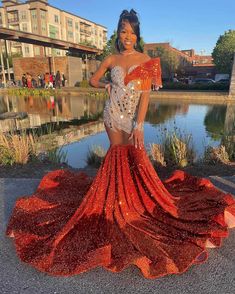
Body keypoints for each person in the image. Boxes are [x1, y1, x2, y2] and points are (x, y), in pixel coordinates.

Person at [6, 9, 235, 279]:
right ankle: (116, 203)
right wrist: (105, 85)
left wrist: (139, 125)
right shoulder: (111, 58)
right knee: (118, 156)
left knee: (136, 158)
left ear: (138, 34)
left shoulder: (147, 60)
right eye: (123, 31)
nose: (127, 36)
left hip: (132, 119)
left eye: (132, 32)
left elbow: (146, 96)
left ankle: (131, 202)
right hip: (112, 117)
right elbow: (92, 80)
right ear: (118, 33)